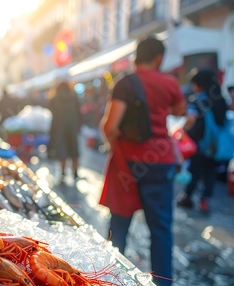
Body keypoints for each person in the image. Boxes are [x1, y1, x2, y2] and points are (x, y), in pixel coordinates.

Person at [99, 36, 186, 286]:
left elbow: (111, 126)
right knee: (160, 231)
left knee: (119, 227)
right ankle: (163, 282)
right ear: (158, 58)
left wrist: (117, 149)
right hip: (161, 162)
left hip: (128, 164)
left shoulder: (125, 84)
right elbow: (180, 111)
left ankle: (110, 279)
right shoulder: (169, 82)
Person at [178, 70, 228, 213]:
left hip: (199, 144)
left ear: (199, 84)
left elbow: (191, 119)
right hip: (215, 146)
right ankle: (204, 200)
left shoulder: (198, 100)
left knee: (194, 171)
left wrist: (181, 130)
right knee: (210, 173)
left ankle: (187, 196)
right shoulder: (220, 100)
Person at [47, 82, 82, 180]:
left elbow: (53, 116)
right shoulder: (73, 97)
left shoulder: (54, 99)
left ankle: (63, 171)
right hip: (72, 127)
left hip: (60, 128)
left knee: (62, 150)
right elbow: (79, 114)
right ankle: (75, 171)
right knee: (74, 150)